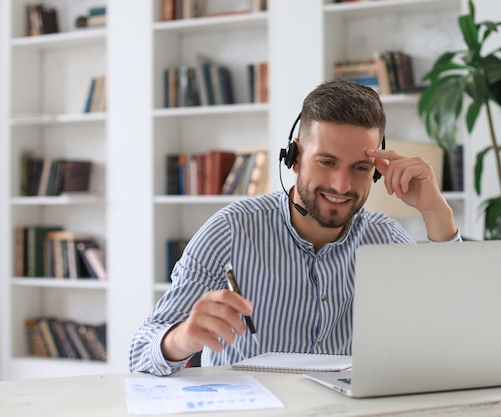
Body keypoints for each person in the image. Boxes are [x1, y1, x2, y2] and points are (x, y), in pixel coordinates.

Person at [129, 79, 460, 376]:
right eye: (327, 162)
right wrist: (183, 337)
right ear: (295, 157)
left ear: (375, 171)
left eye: (360, 167)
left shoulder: (385, 239)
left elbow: (455, 329)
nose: (342, 185)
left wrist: (436, 212)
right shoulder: (231, 230)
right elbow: (140, 354)